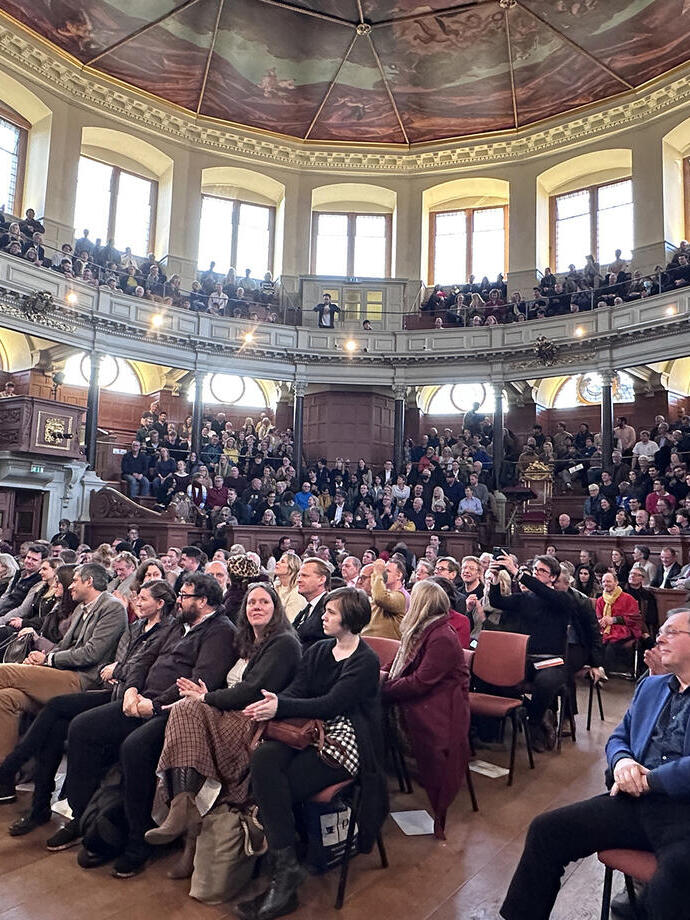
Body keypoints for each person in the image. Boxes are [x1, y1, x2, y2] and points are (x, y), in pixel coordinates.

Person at [501, 608, 690, 920]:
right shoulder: (652, 686)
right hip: (635, 800)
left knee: (674, 879)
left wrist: (649, 779)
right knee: (546, 831)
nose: (660, 638)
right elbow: (620, 736)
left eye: (672, 632)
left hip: (682, 811)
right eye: (662, 631)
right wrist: (622, 762)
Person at [53, 573, 236, 877]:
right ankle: (84, 816)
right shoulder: (178, 623)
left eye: (186, 595)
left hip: (173, 712)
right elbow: (143, 659)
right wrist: (132, 691)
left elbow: (199, 681)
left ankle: (139, 841)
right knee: (82, 728)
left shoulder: (220, 631)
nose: (180, 599)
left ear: (203, 602)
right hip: (140, 700)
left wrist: (155, 705)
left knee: (135, 748)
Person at [238, 586, 386, 920]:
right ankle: (287, 866)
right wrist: (271, 702)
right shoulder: (320, 650)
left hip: (346, 740)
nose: (323, 616)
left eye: (330, 612)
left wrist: (280, 705)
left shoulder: (365, 660)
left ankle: (282, 871)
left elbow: (332, 703)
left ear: (348, 620)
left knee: (278, 785)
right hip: (308, 730)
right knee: (263, 759)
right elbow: (299, 689)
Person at [144, 583, 302, 876]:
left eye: (264, 602)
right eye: (251, 602)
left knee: (187, 709)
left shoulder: (283, 643)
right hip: (228, 710)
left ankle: (182, 817)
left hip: (253, 721)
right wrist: (205, 694)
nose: (256, 606)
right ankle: (184, 814)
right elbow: (233, 686)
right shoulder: (247, 641)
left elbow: (251, 692)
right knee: (186, 712)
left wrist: (204, 697)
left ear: (276, 608)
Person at [0, 579, 175, 831]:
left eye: (143, 598)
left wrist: (119, 669)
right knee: (54, 720)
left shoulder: (166, 631)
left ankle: (12, 768)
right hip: (112, 689)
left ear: (160, 604)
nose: (136, 601)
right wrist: (118, 668)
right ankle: (38, 807)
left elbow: (140, 666)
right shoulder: (136, 626)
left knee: (57, 708)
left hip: (124, 695)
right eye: (138, 597)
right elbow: (122, 660)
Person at [0, 563, 127, 760]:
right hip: (61, 673)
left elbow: (91, 653)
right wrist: (39, 661)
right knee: (7, 698)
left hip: (84, 679)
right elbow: (63, 645)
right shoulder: (81, 608)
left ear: (89, 581)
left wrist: (49, 659)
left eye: (75, 580)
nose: (70, 586)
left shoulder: (112, 607)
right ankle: (5, 775)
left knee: (4, 672)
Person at [382, 579, 470, 838]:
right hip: (428, 695)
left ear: (421, 606)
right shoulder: (422, 630)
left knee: (375, 715)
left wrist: (383, 690)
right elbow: (399, 662)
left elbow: (420, 682)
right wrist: (379, 675)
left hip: (442, 705)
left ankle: (372, 790)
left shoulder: (441, 636)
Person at [487, 554, 570, 752]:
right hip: (525, 658)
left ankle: (533, 724)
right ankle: (537, 715)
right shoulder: (525, 598)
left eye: (542, 571)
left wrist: (517, 573)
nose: (537, 574)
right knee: (497, 675)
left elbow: (542, 592)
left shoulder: (561, 599)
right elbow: (497, 601)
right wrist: (496, 578)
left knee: (545, 682)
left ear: (553, 577)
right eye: (535, 570)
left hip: (552, 661)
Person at [595, 571, 644, 672]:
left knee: (610, 646)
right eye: (603, 581)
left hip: (624, 629)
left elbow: (635, 618)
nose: (605, 584)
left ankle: (607, 672)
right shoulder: (600, 600)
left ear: (616, 582)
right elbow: (598, 616)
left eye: (609, 581)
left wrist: (614, 620)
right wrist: (601, 621)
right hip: (605, 630)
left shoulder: (628, 598)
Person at [362, 556, 407, 640]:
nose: (384, 574)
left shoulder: (401, 596)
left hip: (385, 647)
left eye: (387, 571)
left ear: (399, 575)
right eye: (383, 571)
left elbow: (380, 598)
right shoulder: (378, 592)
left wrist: (379, 573)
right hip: (367, 643)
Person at [291, 558, 331, 647]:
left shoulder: (329, 607)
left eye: (305, 576)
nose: (299, 580)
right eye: (299, 576)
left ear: (321, 580)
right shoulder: (308, 608)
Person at [273, 551, 304, 622]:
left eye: (282, 562)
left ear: (292, 568)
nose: (277, 563)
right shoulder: (275, 586)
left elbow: (290, 622)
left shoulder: (297, 593)